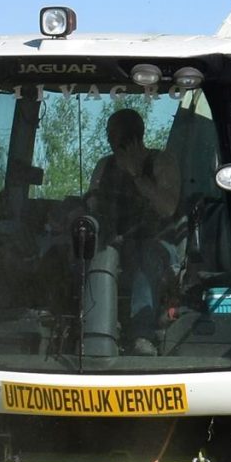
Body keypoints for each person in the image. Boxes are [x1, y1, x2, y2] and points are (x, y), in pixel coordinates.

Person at [90, 108, 182, 346]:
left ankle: (142, 335)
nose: (109, 139)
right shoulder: (104, 166)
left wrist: (136, 175)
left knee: (145, 256)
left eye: (113, 134)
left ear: (132, 135)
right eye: (108, 134)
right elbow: (92, 202)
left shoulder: (161, 162)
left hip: (158, 246)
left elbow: (167, 208)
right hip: (114, 243)